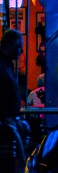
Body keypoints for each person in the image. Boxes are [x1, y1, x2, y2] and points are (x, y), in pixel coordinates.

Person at [0, 29, 24, 173]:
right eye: (19, 48)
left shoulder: (7, 64)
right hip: (5, 124)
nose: (20, 52)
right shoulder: (4, 66)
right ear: (10, 45)